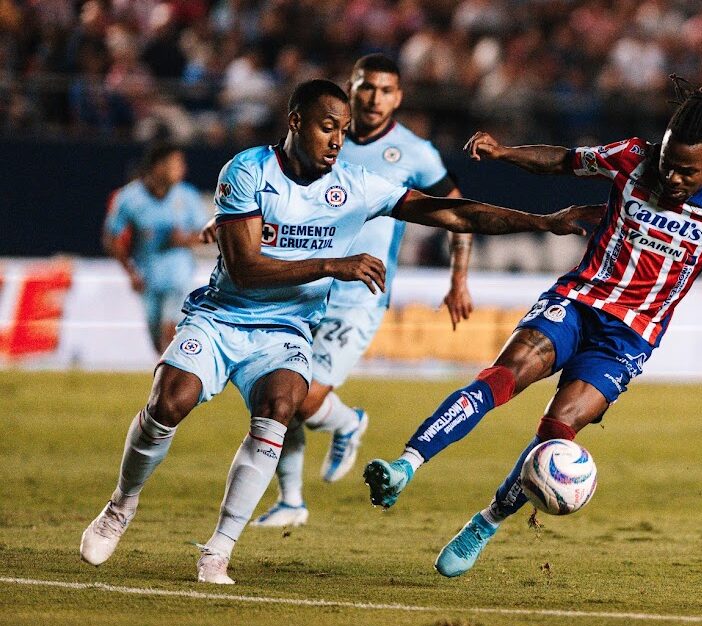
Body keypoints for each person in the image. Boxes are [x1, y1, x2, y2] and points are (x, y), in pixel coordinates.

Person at [363, 76, 702, 578]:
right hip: (580, 300)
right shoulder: (633, 157)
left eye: (690, 170)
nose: (675, 177)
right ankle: (405, 465)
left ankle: (485, 523)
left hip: (630, 337)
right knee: (505, 375)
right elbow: (563, 160)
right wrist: (506, 152)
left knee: (557, 434)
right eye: (670, 162)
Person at [79, 78, 598, 585]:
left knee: (281, 406)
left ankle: (218, 551)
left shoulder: (353, 186)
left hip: (286, 328)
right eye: (327, 126)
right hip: (223, 316)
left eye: (344, 130)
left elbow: (453, 213)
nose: (337, 140)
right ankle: (120, 507)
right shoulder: (247, 172)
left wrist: (542, 221)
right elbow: (244, 269)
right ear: (296, 122)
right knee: (171, 400)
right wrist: (333, 264)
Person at [248, 54, 474, 528]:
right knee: (278, 394)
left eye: (385, 90)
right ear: (351, 87)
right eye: (366, 87)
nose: (374, 98)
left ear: (399, 97)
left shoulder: (416, 153)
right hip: (305, 283)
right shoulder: (324, 135)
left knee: (307, 400)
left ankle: (348, 422)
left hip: (361, 292)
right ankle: (291, 501)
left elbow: (459, 213)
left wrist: (458, 279)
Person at [103, 142, 209, 354]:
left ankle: (175, 382)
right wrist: (130, 272)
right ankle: (168, 381)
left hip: (179, 275)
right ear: (159, 167)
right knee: (157, 340)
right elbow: (111, 237)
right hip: (148, 277)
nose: (182, 170)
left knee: (170, 331)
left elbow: (208, 233)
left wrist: (185, 239)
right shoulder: (129, 198)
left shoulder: (187, 196)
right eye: (176, 164)